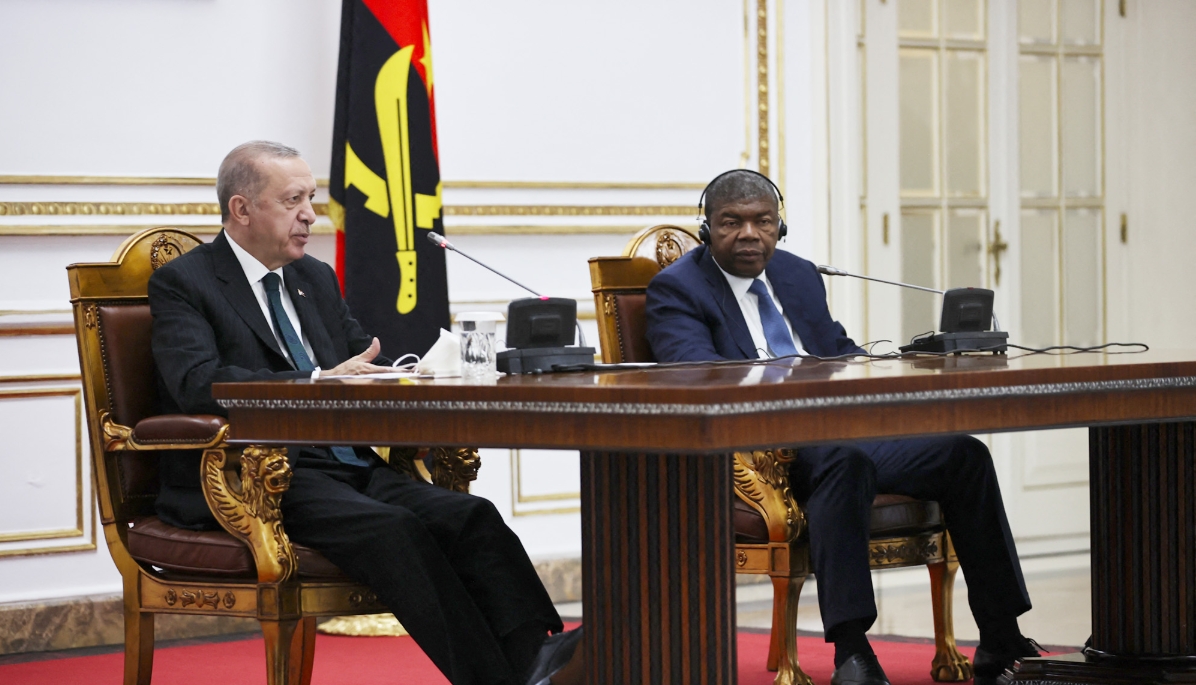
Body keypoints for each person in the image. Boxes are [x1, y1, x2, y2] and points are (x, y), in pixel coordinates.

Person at [149, 141, 581, 685]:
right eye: (293, 200)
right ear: (242, 210)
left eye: (310, 197)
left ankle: (540, 661)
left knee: (470, 516)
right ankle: (494, 679)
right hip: (258, 475)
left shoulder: (314, 278)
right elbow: (195, 384)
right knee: (395, 528)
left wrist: (404, 375)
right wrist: (314, 381)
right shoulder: (186, 283)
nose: (310, 214)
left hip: (346, 463)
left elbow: (358, 359)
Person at [644, 169, 1039, 685]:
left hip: (838, 428)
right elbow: (694, 376)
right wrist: (794, 384)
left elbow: (836, 349)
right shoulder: (677, 289)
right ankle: (852, 651)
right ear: (707, 229)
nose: (749, 234)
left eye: (763, 222)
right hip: (766, 448)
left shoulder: (797, 274)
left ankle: (1000, 635)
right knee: (844, 461)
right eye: (731, 223)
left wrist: (897, 363)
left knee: (964, 454)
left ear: (779, 227)